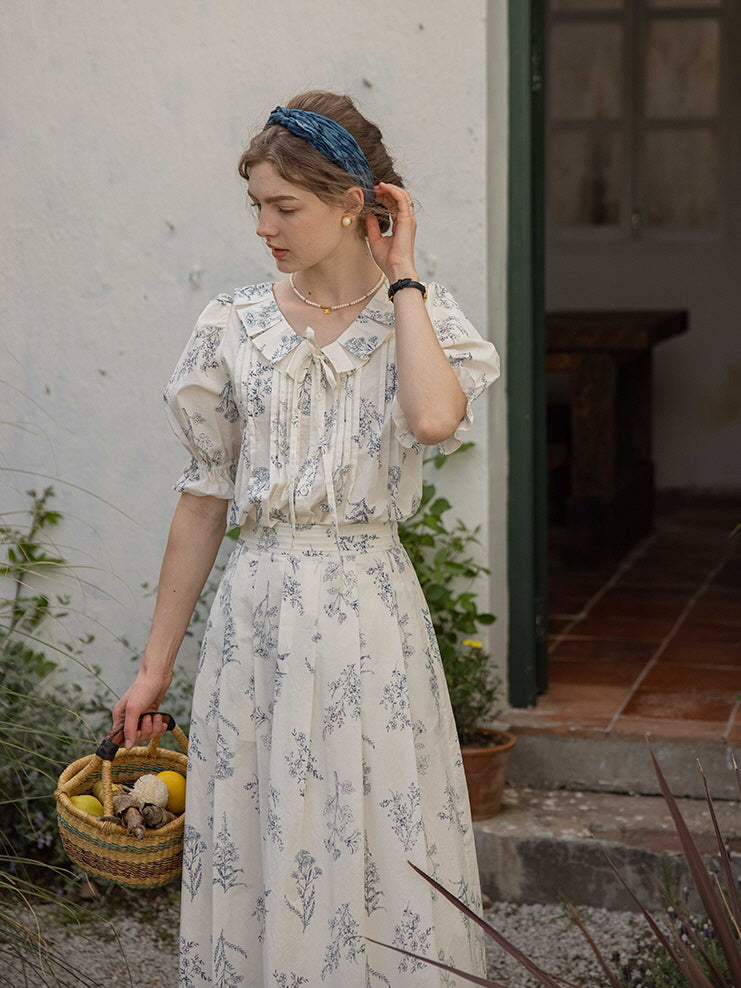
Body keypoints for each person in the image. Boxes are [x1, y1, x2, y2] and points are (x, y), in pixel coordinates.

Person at [113, 90, 500, 987]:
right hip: (256, 617)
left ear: (352, 204)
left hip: (370, 614)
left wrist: (401, 275)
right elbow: (203, 499)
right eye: (254, 205)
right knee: (263, 834)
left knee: (378, 834)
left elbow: (435, 420)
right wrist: (154, 666)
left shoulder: (422, 321)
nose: (263, 226)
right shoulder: (231, 326)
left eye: (283, 206)